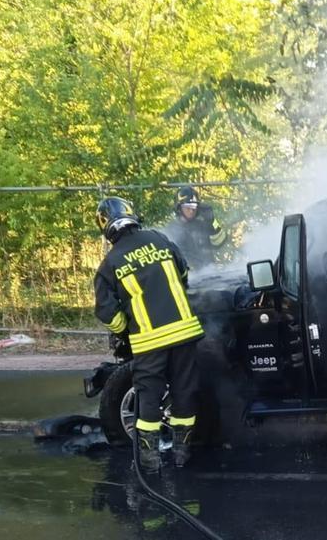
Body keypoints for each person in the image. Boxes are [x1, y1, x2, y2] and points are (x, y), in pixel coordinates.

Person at [94, 196, 204, 472]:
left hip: (150, 341)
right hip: (185, 332)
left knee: (149, 397)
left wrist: (125, 330)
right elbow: (183, 273)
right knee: (184, 391)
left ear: (106, 226)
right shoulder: (160, 240)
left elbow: (106, 311)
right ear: (131, 215)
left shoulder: (110, 264)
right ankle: (182, 454)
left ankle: (150, 460)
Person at [170, 186, 227, 269]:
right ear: (179, 208)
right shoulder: (172, 230)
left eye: (194, 206)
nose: (191, 210)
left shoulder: (203, 225)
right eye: (188, 206)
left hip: (210, 273)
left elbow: (220, 243)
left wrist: (212, 221)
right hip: (189, 278)